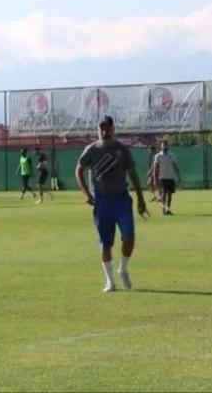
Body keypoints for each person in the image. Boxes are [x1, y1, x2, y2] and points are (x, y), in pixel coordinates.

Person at [76, 115, 148, 293]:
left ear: (113, 129)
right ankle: (110, 282)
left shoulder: (122, 150)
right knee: (105, 243)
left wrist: (140, 199)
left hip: (122, 199)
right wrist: (86, 193)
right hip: (103, 201)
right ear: (97, 130)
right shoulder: (91, 150)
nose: (104, 131)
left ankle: (123, 269)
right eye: (101, 128)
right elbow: (79, 170)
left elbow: (133, 174)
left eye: (107, 128)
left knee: (129, 238)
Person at [153, 140, 181, 215]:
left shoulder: (172, 155)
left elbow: (175, 165)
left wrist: (178, 174)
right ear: (161, 146)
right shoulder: (158, 156)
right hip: (162, 177)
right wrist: (155, 179)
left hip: (170, 177)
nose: (165, 146)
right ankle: (163, 207)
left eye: (166, 145)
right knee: (164, 193)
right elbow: (155, 168)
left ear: (168, 146)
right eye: (163, 145)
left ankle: (168, 209)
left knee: (170, 194)